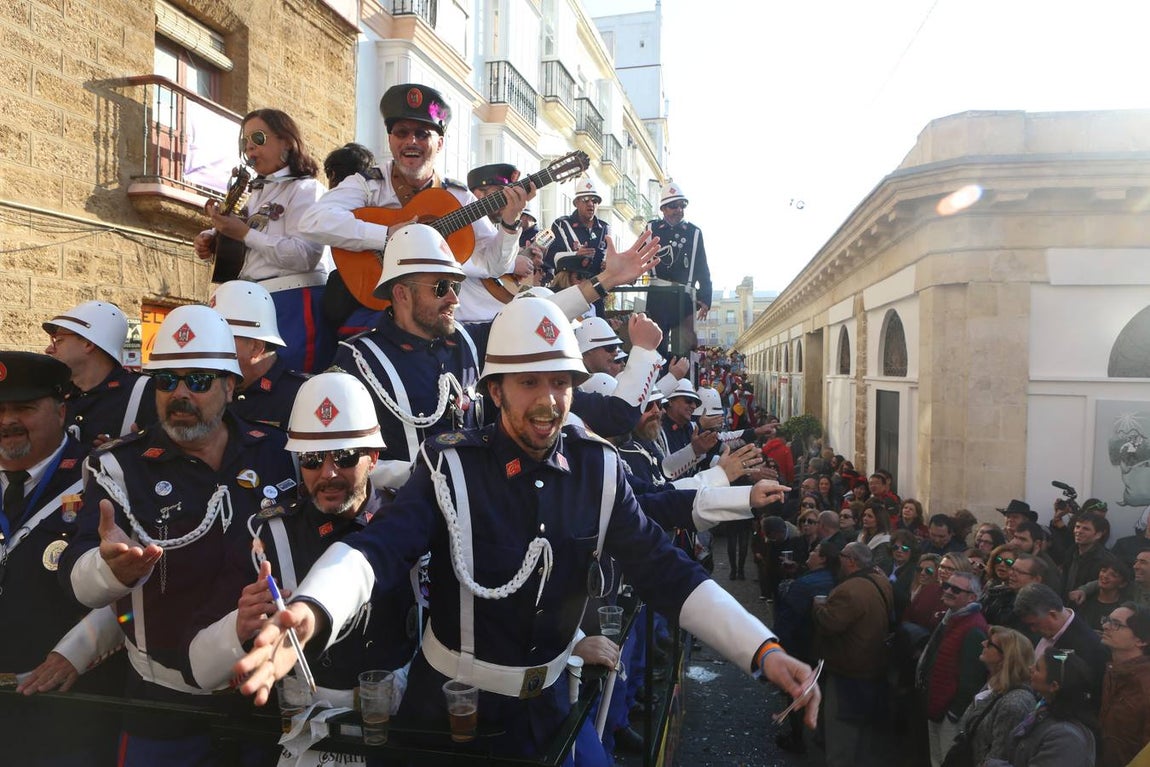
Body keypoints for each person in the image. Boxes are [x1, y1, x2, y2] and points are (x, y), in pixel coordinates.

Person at [231, 297, 820, 762]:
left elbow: (663, 569)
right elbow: (379, 549)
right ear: (495, 390)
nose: (549, 401)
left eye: (560, 382)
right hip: (450, 721)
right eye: (529, 382)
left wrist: (762, 649)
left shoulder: (597, 469)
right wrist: (312, 610)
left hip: (548, 715)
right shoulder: (450, 465)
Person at [59, 304, 298, 766]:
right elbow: (77, 573)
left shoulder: (276, 452)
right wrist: (109, 570)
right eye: (166, 381)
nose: (180, 394)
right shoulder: (120, 467)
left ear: (230, 386)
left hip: (263, 693)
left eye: (199, 381)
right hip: (164, 706)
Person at [329, 222, 660, 490]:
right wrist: (432, 473)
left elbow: (533, 316)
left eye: (457, 287)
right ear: (401, 293)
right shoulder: (358, 360)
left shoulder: (467, 342)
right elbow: (337, 462)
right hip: (403, 521)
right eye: (441, 287)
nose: (454, 299)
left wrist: (607, 280)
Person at [300, 83, 529, 335]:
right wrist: (386, 236)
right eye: (402, 133)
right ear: (390, 140)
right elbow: (313, 221)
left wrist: (510, 224)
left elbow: (494, 266)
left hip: (435, 317)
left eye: (422, 134)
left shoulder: (459, 196)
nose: (411, 141)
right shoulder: (367, 185)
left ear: (439, 143)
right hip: (378, 311)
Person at [0, 352, 120, 766]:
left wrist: (78, 651)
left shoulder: (104, 475)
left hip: (68, 707)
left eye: (23, 408)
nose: (7, 421)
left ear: (61, 410)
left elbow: (137, 586)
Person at [194, 108, 334, 373]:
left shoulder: (307, 190)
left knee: (290, 382)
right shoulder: (258, 193)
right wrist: (212, 237)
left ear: (287, 142)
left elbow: (305, 255)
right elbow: (248, 233)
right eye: (245, 141)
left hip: (293, 301)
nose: (249, 147)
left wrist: (244, 234)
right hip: (252, 303)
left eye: (258, 138)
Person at [812, 541, 895, 766]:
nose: (837, 559)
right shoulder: (881, 580)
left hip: (848, 672)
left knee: (842, 737)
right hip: (872, 668)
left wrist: (818, 607)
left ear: (850, 561)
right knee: (863, 737)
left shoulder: (850, 590)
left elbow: (829, 623)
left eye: (841, 555)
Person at [43, 300, 156, 445]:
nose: (49, 349)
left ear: (88, 344)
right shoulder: (55, 394)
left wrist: (127, 454)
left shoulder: (145, 392)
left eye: (59, 341)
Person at [210, 280, 308, 429]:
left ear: (256, 347)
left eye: (223, 338)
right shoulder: (205, 388)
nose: (211, 348)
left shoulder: (302, 397)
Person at [917, 569, 989, 766]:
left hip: (951, 715)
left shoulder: (973, 628)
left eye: (956, 590)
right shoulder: (950, 618)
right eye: (947, 586)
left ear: (972, 597)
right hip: (937, 705)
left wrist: (953, 714)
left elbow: (972, 679)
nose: (948, 591)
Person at [456, 162, 544, 321]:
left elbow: (496, 259)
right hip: (466, 319)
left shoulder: (496, 229)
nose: (508, 201)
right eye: (501, 194)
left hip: (496, 317)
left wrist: (525, 257)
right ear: (479, 194)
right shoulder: (461, 223)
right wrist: (512, 265)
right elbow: (466, 259)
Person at [774, 541, 838, 754]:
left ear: (823, 559)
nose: (810, 553)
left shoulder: (803, 585)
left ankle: (797, 739)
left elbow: (787, 621)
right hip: (824, 648)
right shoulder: (835, 579)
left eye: (815, 551)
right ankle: (820, 736)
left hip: (800, 647)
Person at [985, 647, 1098, 767]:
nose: (1030, 668)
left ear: (1054, 686)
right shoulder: (1044, 711)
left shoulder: (1065, 738)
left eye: (1037, 668)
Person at [947, 626, 1037, 766]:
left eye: (990, 644)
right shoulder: (994, 683)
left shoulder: (1015, 703)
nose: (983, 643)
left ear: (1005, 657)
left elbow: (1000, 756)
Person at [643, 181, 712, 358]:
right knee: (657, 344)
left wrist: (705, 297)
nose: (679, 210)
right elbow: (638, 255)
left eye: (682, 205)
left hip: (685, 297)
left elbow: (702, 266)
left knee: (685, 347)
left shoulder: (694, 232)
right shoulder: (652, 229)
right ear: (663, 209)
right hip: (658, 295)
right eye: (673, 206)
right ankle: (659, 374)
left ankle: (683, 375)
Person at [1013, 583, 1108, 708]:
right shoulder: (1044, 629)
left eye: (1034, 624)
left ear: (1052, 615)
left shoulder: (1089, 647)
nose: (1033, 630)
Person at [1099, 604, 1150, 767]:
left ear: (1141, 640)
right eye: (1107, 620)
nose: (1106, 626)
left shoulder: (1145, 685)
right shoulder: (1113, 670)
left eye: (1116, 624)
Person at [543, 177, 610, 289]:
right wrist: (575, 255)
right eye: (585, 199)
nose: (591, 204)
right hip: (567, 286)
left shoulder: (604, 228)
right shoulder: (561, 224)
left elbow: (607, 256)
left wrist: (607, 265)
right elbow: (551, 258)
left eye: (595, 200)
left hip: (594, 288)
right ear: (576, 203)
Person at [859, 502, 894, 573]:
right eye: (864, 515)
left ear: (879, 519)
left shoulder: (884, 542)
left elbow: (878, 566)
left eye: (870, 516)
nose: (865, 518)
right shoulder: (861, 536)